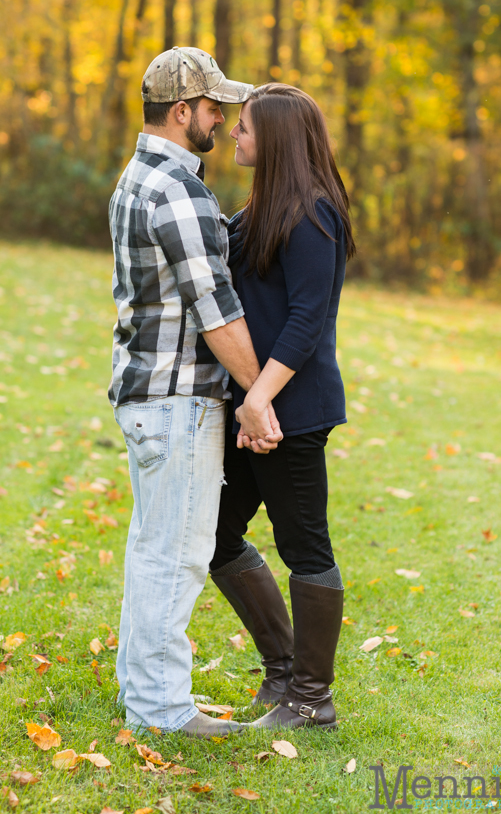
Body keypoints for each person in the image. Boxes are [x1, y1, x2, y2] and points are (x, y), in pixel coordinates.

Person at [108, 47, 283, 738]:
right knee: (175, 556)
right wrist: (256, 395)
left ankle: (140, 694)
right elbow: (216, 308)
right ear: (182, 112)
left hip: (147, 394)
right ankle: (160, 710)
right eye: (214, 107)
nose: (223, 118)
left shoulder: (137, 177)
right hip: (175, 399)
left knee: (154, 546)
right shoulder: (178, 191)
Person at [209, 83, 356, 730]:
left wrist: (259, 400)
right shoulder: (255, 214)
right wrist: (247, 402)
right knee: (213, 534)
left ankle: (310, 698)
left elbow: (305, 321)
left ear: (275, 139)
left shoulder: (315, 216)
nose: (233, 136)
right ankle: (282, 671)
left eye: (243, 127)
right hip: (255, 408)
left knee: (305, 547)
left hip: (292, 414)